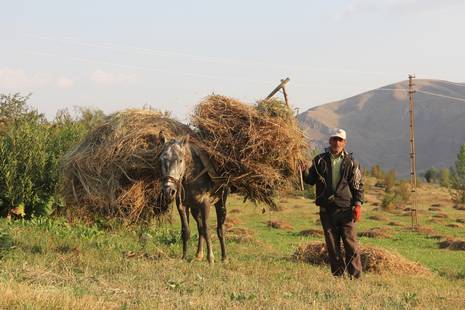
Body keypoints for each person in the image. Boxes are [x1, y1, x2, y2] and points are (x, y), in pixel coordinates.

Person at [302, 128, 364, 278]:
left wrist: (358, 205)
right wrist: (304, 171)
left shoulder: (351, 162)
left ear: (344, 143)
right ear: (329, 141)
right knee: (332, 245)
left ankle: (355, 276)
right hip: (326, 209)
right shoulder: (319, 160)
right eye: (334, 139)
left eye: (340, 140)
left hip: (346, 209)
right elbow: (310, 180)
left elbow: (358, 185)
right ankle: (338, 275)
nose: (337, 142)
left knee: (351, 244)